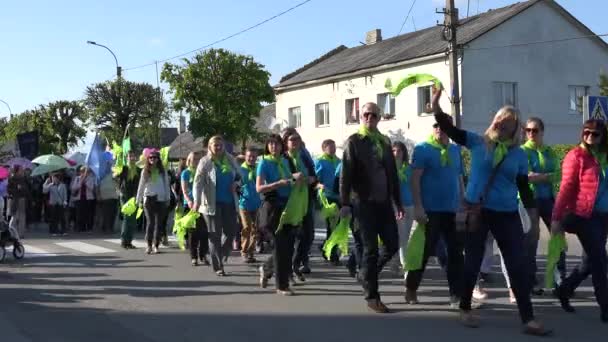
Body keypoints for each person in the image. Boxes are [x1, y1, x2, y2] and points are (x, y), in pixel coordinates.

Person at [432, 86, 550, 335]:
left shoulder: (518, 154)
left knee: (516, 264)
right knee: (472, 261)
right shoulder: (477, 142)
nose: (500, 123)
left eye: (506, 122)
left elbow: (522, 185)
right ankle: (465, 307)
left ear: (514, 128)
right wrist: (436, 105)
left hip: (507, 214)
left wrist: (531, 213)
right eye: (498, 119)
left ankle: (528, 318)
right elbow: (449, 128)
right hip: (479, 212)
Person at [340, 102, 404, 313]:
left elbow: (392, 175)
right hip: (363, 202)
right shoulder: (354, 141)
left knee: (393, 244)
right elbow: (346, 175)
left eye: (373, 115)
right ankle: (372, 296)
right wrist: (345, 203)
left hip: (384, 202)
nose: (369, 118)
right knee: (370, 250)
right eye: (366, 114)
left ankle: (366, 275)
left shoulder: (384, 141)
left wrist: (398, 202)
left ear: (379, 118)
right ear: (361, 117)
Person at [552, 119, 608, 323]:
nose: (590, 137)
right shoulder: (576, 156)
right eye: (587, 133)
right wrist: (556, 218)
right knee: (600, 260)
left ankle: (564, 290)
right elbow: (565, 188)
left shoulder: (604, 156)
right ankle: (605, 306)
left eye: (595, 134)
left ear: (603, 136)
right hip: (583, 215)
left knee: (589, 262)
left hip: (603, 216)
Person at [257, 134, 304, 295]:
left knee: (288, 247)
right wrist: (278, 184)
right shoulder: (264, 162)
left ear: (281, 146)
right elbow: (259, 188)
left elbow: (292, 180)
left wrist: (297, 179)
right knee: (279, 246)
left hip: (288, 206)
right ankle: (281, 286)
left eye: (276, 144)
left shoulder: (285, 161)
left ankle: (267, 270)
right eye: (270, 144)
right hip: (272, 207)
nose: (273, 147)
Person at [193, 135, 241, 276]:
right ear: (210, 147)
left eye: (221, 145)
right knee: (215, 235)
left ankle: (222, 254)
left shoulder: (230, 159)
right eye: (216, 145)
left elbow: (239, 176)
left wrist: (236, 184)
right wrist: (196, 201)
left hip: (230, 202)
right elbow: (197, 183)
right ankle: (218, 266)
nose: (219, 147)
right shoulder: (205, 162)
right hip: (211, 204)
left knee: (231, 233)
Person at [282, 127, 317, 275]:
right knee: (290, 238)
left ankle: (296, 263)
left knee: (308, 234)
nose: (295, 142)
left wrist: (312, 180)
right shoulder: (282, 158)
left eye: (298, 139)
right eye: (292, 139)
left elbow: (314, 174)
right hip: (289, 202)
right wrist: (292, 179)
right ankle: (274, 267)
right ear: (285, 142)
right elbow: (280, 179)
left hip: (306, 199)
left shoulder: (304, 156)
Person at [136, 150, 171, 254]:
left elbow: (166, 185)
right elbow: (141, 186)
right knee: (150, 223)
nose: (152, 159)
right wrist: (138, 199)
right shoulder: (145, 171)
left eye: (154, 157)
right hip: (149, 198)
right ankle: (149, 245)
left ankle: (156, 245)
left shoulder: (162, 171)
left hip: (160, 199)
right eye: (150, 157)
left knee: (159, 224)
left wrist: (168, 198)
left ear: (158, 159)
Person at [315, 139, 342, 264]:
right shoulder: (320, 161)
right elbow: (315, 180)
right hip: (326, 197)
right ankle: (332, 254)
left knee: (336, 226)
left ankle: (326, 246)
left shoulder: (339, 161)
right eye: (330, 147)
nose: (333, 149)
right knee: (332, 225)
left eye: (334, 146)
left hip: (338, 196)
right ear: (324, 148)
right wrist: (320, 185)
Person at [182, 151, 209, 266]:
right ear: (189, 160)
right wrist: (189, 201)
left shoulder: (203, 172)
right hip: (191, 205)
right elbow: (184, 189)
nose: (196, 161)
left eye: (198, 159)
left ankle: (203, 255)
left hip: (203, 205)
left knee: (204, 232)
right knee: (193, 233)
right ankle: (194, 257)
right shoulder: (186, 173)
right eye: (194, 159)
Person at [239, 147, 261, 263]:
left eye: (254, 156)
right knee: (247, 228)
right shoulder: (240, 170)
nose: (251, 158)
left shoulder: (258, 169)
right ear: (245, 156)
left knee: (255, 229)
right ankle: (244, 251)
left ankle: (251, 252)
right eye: (249, 156)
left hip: (256, 203)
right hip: (244, 203)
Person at [118, 151, 140, 249]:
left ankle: (129, 241)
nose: (132, 158)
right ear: (127, 158)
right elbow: (116, 178)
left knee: (132, 219)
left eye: (133, 156)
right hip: (124, 195)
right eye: (130, 156)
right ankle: (124, 240)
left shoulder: (138, 170)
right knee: (127, 217)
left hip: (134, 196)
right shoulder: (123, 168)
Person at [7, 165, 31, 238]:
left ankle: (21, 234)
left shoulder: (24, 179)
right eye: (20, 169)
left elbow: (27, 189)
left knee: (22, 217)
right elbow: (9, 190)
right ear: (17, 171)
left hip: (22, 199)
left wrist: (23, 189)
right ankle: (11, 232)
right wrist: (17, 189)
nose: (22, 171)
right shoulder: (12, 179)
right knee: (14, 217)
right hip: (15, 199)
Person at [98, 158, 119, 234]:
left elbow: (118, 183)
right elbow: (97, 186)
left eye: (109, 165)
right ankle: (105, 228)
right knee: (105, 214)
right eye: (107, 165)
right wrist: (98, 195)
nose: (108, 166)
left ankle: (110, 228)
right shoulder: (101, 175)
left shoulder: (115, 174)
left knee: (113, 213)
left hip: (113, 196)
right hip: (104, 198)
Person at [72, 167, 96, 232]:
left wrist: (85, 182)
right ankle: (80, 227)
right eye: (82, 172)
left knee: (87, 213)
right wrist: (80, 182)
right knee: (79, 213)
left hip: (88, 198)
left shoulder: (90, 179)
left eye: (86, 172)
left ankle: (87, 227)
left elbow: (91, 188)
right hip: (79, 198)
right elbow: (74, 187)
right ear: (80, 172)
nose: (84, 173)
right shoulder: (77, 178)